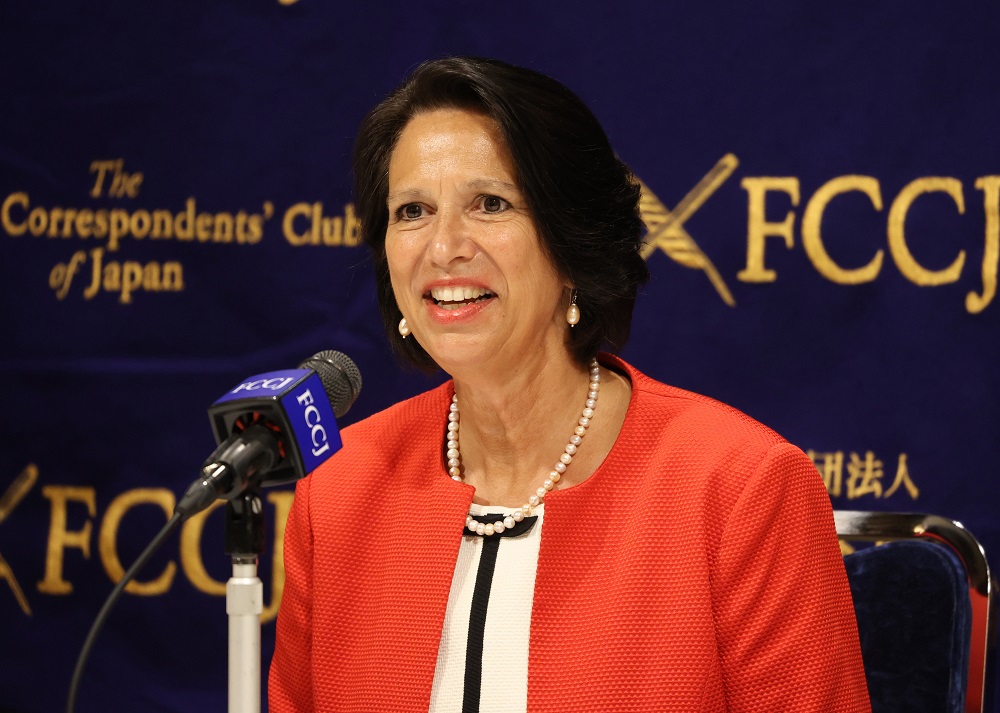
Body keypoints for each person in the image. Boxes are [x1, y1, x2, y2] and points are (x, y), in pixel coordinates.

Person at [268, 57, 871, 712]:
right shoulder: (338, 494)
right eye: (412, 210)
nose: (443, 247)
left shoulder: (740, 492)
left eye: (489, 204)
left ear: (572, 246)